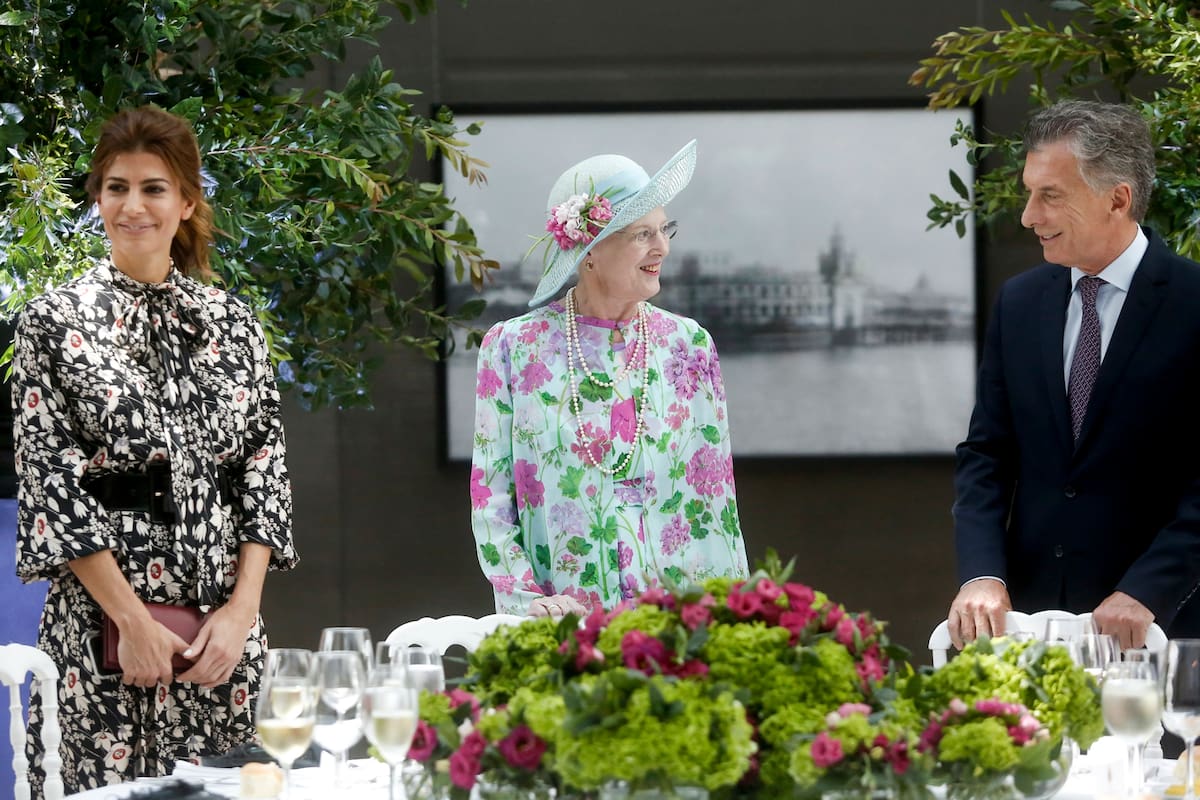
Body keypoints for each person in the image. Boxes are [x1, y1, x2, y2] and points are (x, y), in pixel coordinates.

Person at [11, 106, 296, 793]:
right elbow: (52, 483)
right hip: (103, 639)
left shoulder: (233, 323)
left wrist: (241, 615)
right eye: (116, 187)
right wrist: (132, 622)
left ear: (187, 200)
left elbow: (265, 467)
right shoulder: (53, 321)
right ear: (97, 198)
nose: (132, 206)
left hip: (218, 643)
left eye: (153, 188)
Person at [947, 99, 1200, 652]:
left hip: (1164, 631)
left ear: (1118, 198)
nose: (1028, 215)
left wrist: (1148, 589)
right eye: (1029, 193)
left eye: (1050, 196)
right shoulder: (1019, 302)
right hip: (1030, 630)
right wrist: (981, 574)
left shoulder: (1194, 302)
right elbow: (986, 456)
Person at [469, 140, 748, 617]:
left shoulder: (689, 345)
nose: (662, 247)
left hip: (675, 625)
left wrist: (729, 614)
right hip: (561, 621)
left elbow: (716, 502)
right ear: (591, 251)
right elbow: (491, 496)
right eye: (643, 233)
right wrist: (528, 601)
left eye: (665, 229)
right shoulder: (512, 347)